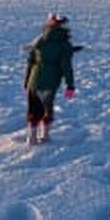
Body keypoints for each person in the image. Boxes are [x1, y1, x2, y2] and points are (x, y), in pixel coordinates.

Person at [23, 13, 76, 144]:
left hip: (33, 81)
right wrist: (70, 85)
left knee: (33, 108)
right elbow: (66, 67)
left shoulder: (39, 40)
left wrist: (26, 80)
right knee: (47, 107)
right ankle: (45, 135)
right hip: (50, 83)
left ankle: (32, 137)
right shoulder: (64, 45)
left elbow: (30, 62)